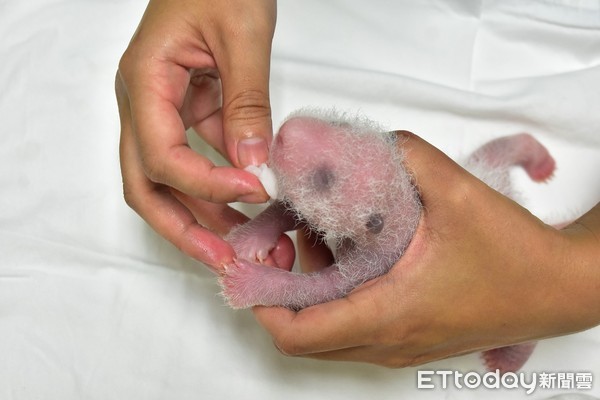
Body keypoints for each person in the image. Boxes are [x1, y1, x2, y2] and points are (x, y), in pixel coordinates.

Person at [116, 0, 600, 367]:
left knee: (513, 287)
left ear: (369, 223)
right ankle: (522, 152)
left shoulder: (371, 238)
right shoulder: (363, 198)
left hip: (492, 235)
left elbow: (328, 284)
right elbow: (302, 207)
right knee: (481, 165)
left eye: (324, 177)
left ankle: (522, 336)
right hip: (458, 191)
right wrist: (263, 229)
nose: (293, 130)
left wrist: (562, 290)